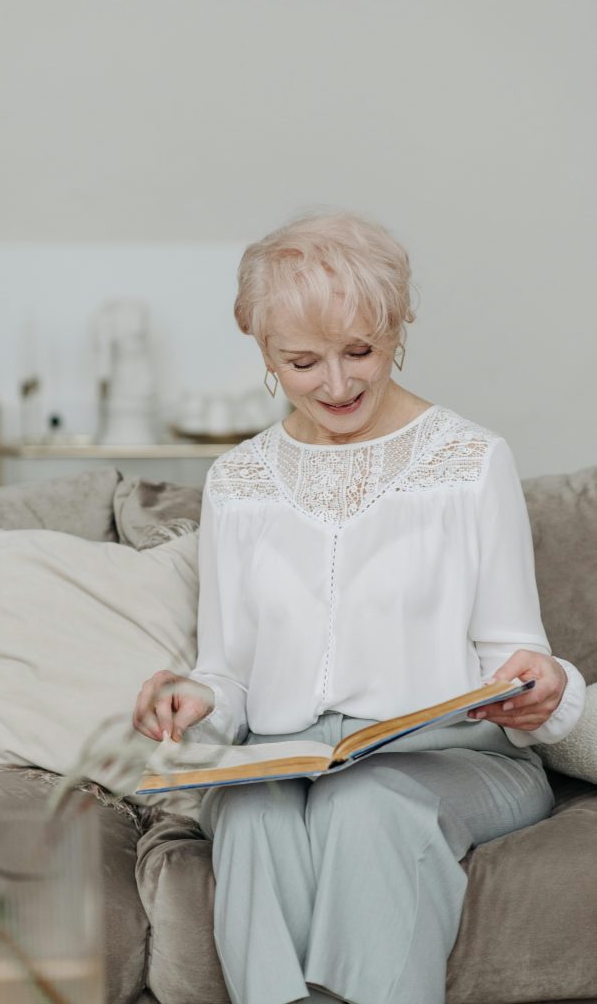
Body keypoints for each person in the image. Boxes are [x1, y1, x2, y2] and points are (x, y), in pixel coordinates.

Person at [133, 211, 586, 1004]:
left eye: (360, 352)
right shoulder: (238, 482)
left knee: (364, 802)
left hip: (458, 758)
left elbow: (514, 653)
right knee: (252, 813)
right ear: (262, 351)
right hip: (284, 757)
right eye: (303, 362)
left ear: (396, 328)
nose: (337, 386)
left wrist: (538, 685)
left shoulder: (471, 462)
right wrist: (193, 696)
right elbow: (229, 676)